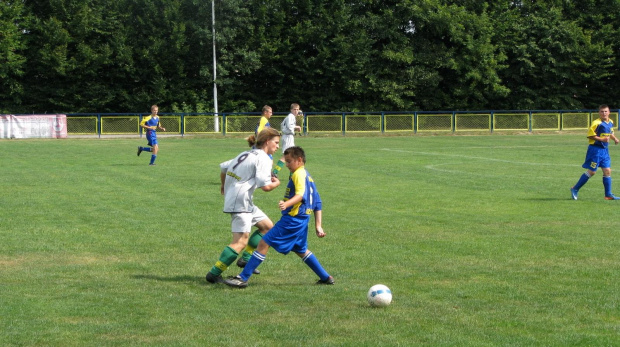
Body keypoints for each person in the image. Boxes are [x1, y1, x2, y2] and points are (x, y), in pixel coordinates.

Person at [224, 146, 334, 288]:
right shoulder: (308, 176)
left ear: (299, 160)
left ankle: (242, 278)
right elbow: (317, 202)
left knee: (264, 242)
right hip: (302, 221)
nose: (287, 165)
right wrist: (318, 225)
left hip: (292, 220)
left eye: (289, 162)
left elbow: (300, 195)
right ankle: (326, 277)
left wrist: (286, 203)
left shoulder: (298, 175)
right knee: (301, 250)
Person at [206, 128, 282, 284]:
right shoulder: (264, 158)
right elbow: (265, 187)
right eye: (276, 143)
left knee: (267, 227)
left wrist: (224, 185)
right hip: (240, 201)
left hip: (243, 200)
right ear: (267, 141)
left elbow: (224, 167)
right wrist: (276, 183)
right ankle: (214, 273)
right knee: (240, 242)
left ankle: (245, 260)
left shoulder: (245, 153)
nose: (277, 146)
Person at [571, 104, 620, 200]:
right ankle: (575, 188)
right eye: (602, 111)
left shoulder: (610, 121)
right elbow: (590, 135)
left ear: (609, 112)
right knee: (592, 171)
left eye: (606, 111)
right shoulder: (596, 123)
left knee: (607, 170)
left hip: (605, 150)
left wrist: (615, 138)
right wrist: (602, 139)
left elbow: (610, 132)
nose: (604, 113)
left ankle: (608, 194)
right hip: (595, 150)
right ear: (599, 113)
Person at [272, 103, 302, 177]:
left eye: (297, 109)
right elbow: (289, 126)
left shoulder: (290, 116)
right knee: (286, 156)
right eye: (294, 109)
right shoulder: (290, 116)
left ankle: (291, 175)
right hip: (288, 137)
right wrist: (297, 127)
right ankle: (275, 172)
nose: (296, 111)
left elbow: (282, 124)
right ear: (291, 110)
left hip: (288, 137)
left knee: (293, 155)